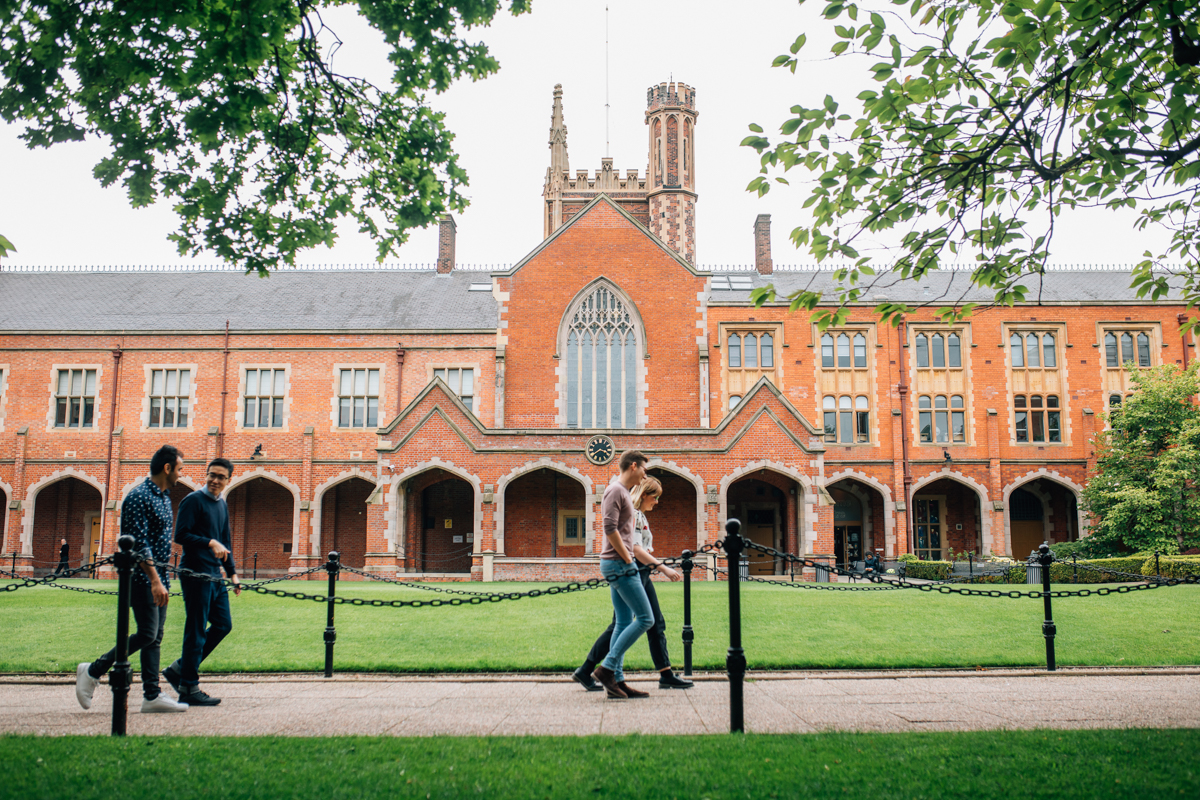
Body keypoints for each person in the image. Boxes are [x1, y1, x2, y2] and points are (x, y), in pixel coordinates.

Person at [76, 445, 188, 713]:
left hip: (161, 577)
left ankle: (152, 696)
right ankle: (93, 670)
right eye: (179, 469)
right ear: (167, 468)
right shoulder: (138, 497)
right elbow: (139, 545)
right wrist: (155, 580)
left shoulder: (163, 496)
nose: (181, 474)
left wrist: (164, 579)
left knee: (156, 637)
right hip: (142, 580)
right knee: (148, 633)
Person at [573, 476, 693, 691]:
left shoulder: (639, 516)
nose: (657, 501)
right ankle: (606, 670)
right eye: (655, 497)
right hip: (634, 570)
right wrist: (662, 568)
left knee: (628, 623)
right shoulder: (635, 515)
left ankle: (597, 672)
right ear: (644, 494)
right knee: (644, 621)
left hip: (637, 570)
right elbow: (636, 549)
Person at [163, 457, 240, 706]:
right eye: (212, 475)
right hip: (195, 573)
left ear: (228, 480)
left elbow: (225, 539)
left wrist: (232, 573)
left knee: (223, 625)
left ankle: (180, 669)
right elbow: (181, 535)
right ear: (206, 475)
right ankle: (188, 687)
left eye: (221, 477)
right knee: (195, 630)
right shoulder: (193, 500)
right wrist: (209, 542)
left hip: (215, 576)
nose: (215, 480)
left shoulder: (222, 505)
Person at [591, 450, 655, 699]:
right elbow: (609, 528)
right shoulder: (615, 490)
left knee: (623, 622)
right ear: (633, 465)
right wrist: (628, 558)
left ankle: (617, 681)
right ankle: (607, 668)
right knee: (645, 619)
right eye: (644, 470)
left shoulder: (623, 492)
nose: (645, 475)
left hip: (617, 563)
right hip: (619, 564)